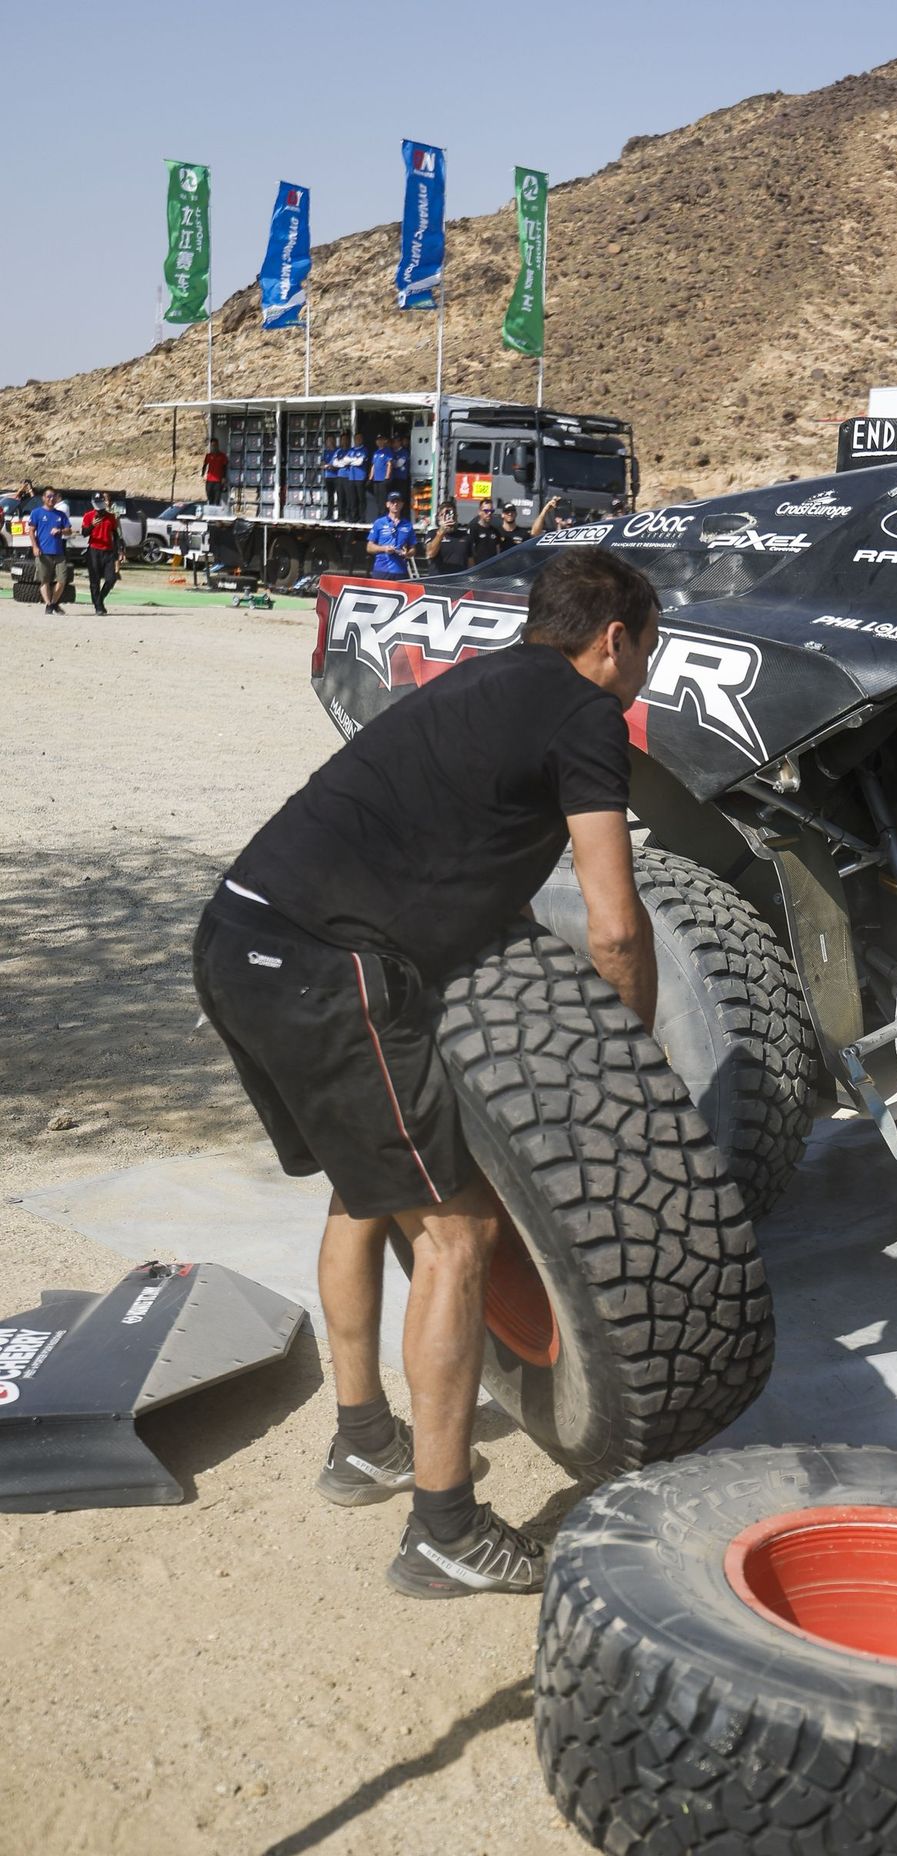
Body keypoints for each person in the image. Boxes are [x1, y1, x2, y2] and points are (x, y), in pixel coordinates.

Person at [191, 549, 661, 1599]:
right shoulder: (585, 712)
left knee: (370, 1194)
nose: (640, 675)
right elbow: (617, 926)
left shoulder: (481, 681)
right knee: (458, 1233)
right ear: (614, 638)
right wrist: (621, 1067)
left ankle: (364, 1438)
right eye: (645, 652)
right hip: (324, 970)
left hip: (235, 937)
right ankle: (444, 1526)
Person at [27, 487, 72, 614]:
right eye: (48, 496)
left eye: (53, 496)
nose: (51, 499)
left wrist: (61, 531)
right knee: (44, 579)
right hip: (43, 552)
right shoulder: (36, 513)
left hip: (59, 552)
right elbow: (31, 531)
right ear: (43, 498)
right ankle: (48, 604)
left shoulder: (61, 515)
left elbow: (69, 531)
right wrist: (35, 547)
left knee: (62, 579)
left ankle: (53, 603)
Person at [82, 494, 123, 615]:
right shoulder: (88, 516)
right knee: (94, 580)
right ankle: (98, 607)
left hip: (108, 551)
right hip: (94, 551)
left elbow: (116, 535)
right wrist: (92, 525)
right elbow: (84, 533)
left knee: (111, 578)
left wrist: (118, 551)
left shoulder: (111, 517)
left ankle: (99, 599)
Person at [366, 491, 418, 579]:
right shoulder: (379, 523)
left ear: (402, 504)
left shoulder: (407, 525)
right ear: (387, 504)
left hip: (400, 570)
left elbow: (413, 549)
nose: (395, 504)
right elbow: (369, 547)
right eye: (392, 502)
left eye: (398, 502)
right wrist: (384, 549)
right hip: (381, 569)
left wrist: (407, 554)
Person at [424, 503, 471, 573]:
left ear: (456, 516)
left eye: (452, 514)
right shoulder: (432, 533)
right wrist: (441, 533)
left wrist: (472, 579)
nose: (449, 517)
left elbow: (470, 560)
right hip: (438, 580)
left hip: (459, 580)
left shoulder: (465, 536)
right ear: (439, 517)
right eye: (445, 514)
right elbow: (430, 554)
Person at [464, 497, 506, 566]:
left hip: (491, 569)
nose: (489, 513)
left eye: (491, 511)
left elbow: (498, 552)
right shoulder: (473, 529)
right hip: (477, 568)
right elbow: (469, 551)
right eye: (486, 511)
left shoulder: (495, 531)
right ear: (479, 512)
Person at [341, 436, 369, 524]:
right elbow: (344, 461)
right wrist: (354, 460)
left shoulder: (364, 450)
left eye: (359, 439)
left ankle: (362, 518)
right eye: (356, 439)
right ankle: (353, 517)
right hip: (351, 477)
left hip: (360, 477)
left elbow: (359, 462)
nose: (357, 440)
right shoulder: (351, 450)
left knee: (361, 499)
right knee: (352, 498)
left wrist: (351, 461)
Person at [368, 435, 393, 517]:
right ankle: (379, 514)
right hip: (376, 479)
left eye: (381, 440)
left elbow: (389, 464)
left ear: (384, 441)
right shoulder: (376, 453)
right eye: (378, 440)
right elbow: (373, 466)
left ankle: (384, 515)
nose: (379, 442)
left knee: (383, 499)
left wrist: (387, 477)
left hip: (383, 479)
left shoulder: (387, 451)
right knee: (377, 498)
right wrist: (370, 478)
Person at [323, 435, 346, 521]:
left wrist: (333, 466)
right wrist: (325, 465)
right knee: (330, 496)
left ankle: (341, 515)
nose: (330, 442)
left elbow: (340, 463)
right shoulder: (326, 451)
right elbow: (322, 462)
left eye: (331, 440)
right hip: (328, 476)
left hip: (336, 476)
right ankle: (329, 515)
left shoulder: (338, 451)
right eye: (328, 441)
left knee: (340, 496)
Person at [202, 437, 228, 506]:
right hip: (209, 480)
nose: (214, 447)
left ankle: (216, 510)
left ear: (218, 445)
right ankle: (211, 508)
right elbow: (205, 465)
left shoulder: (222, 456)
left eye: (215, 445)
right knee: (209, 496)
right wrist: (203, 475)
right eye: (212, 445)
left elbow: (225, 467)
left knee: (217, 498)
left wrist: (224, 477)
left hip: (218, 481)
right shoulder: (208, 456)